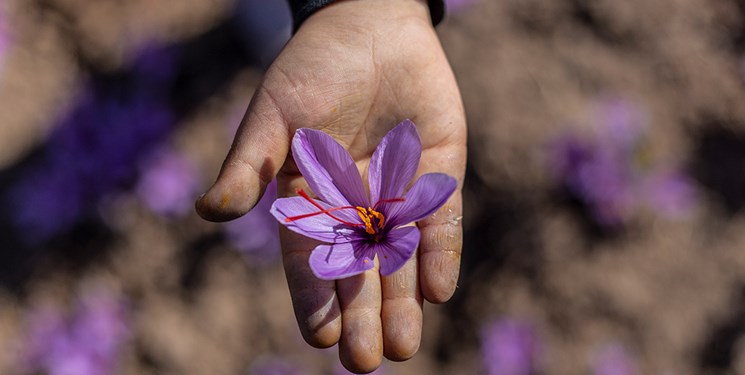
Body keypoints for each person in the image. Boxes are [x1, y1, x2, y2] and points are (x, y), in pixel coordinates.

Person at [196, 0, 466, 372]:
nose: (372, 220)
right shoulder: (365, 222)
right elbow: (307, 145)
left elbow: (405, 227)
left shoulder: (383, 227)